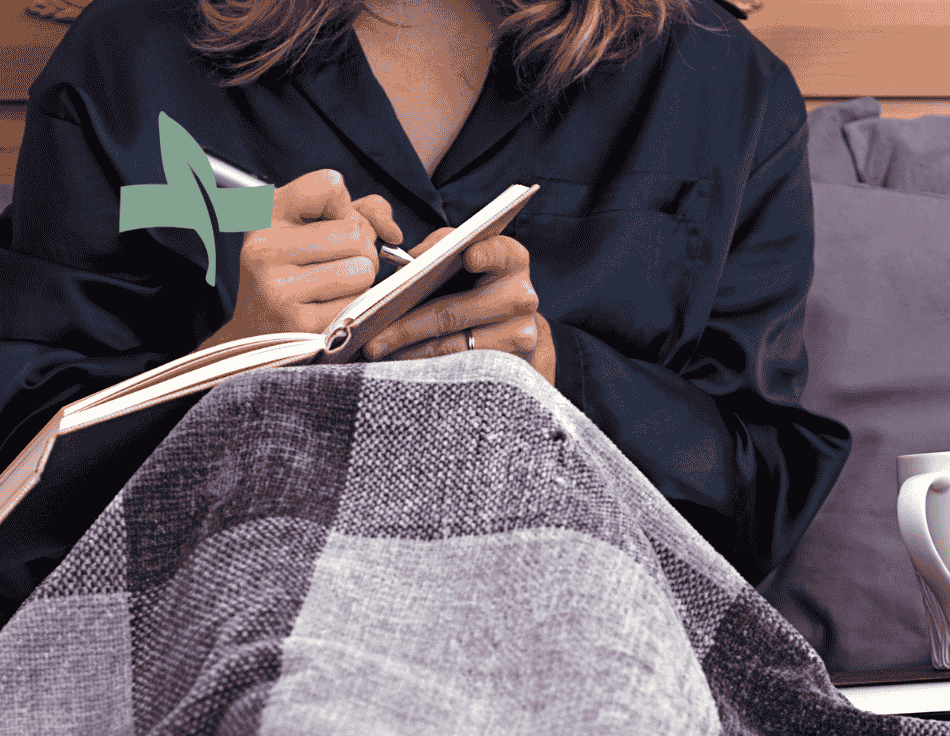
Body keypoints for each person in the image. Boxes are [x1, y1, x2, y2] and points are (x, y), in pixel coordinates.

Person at [0, 0, 850, 612]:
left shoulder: (716, 84)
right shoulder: (132, 57)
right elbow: (22, 487)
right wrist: (233, 361)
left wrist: (566, 379)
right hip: (242, 627)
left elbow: (760, 507)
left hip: (586, 637)